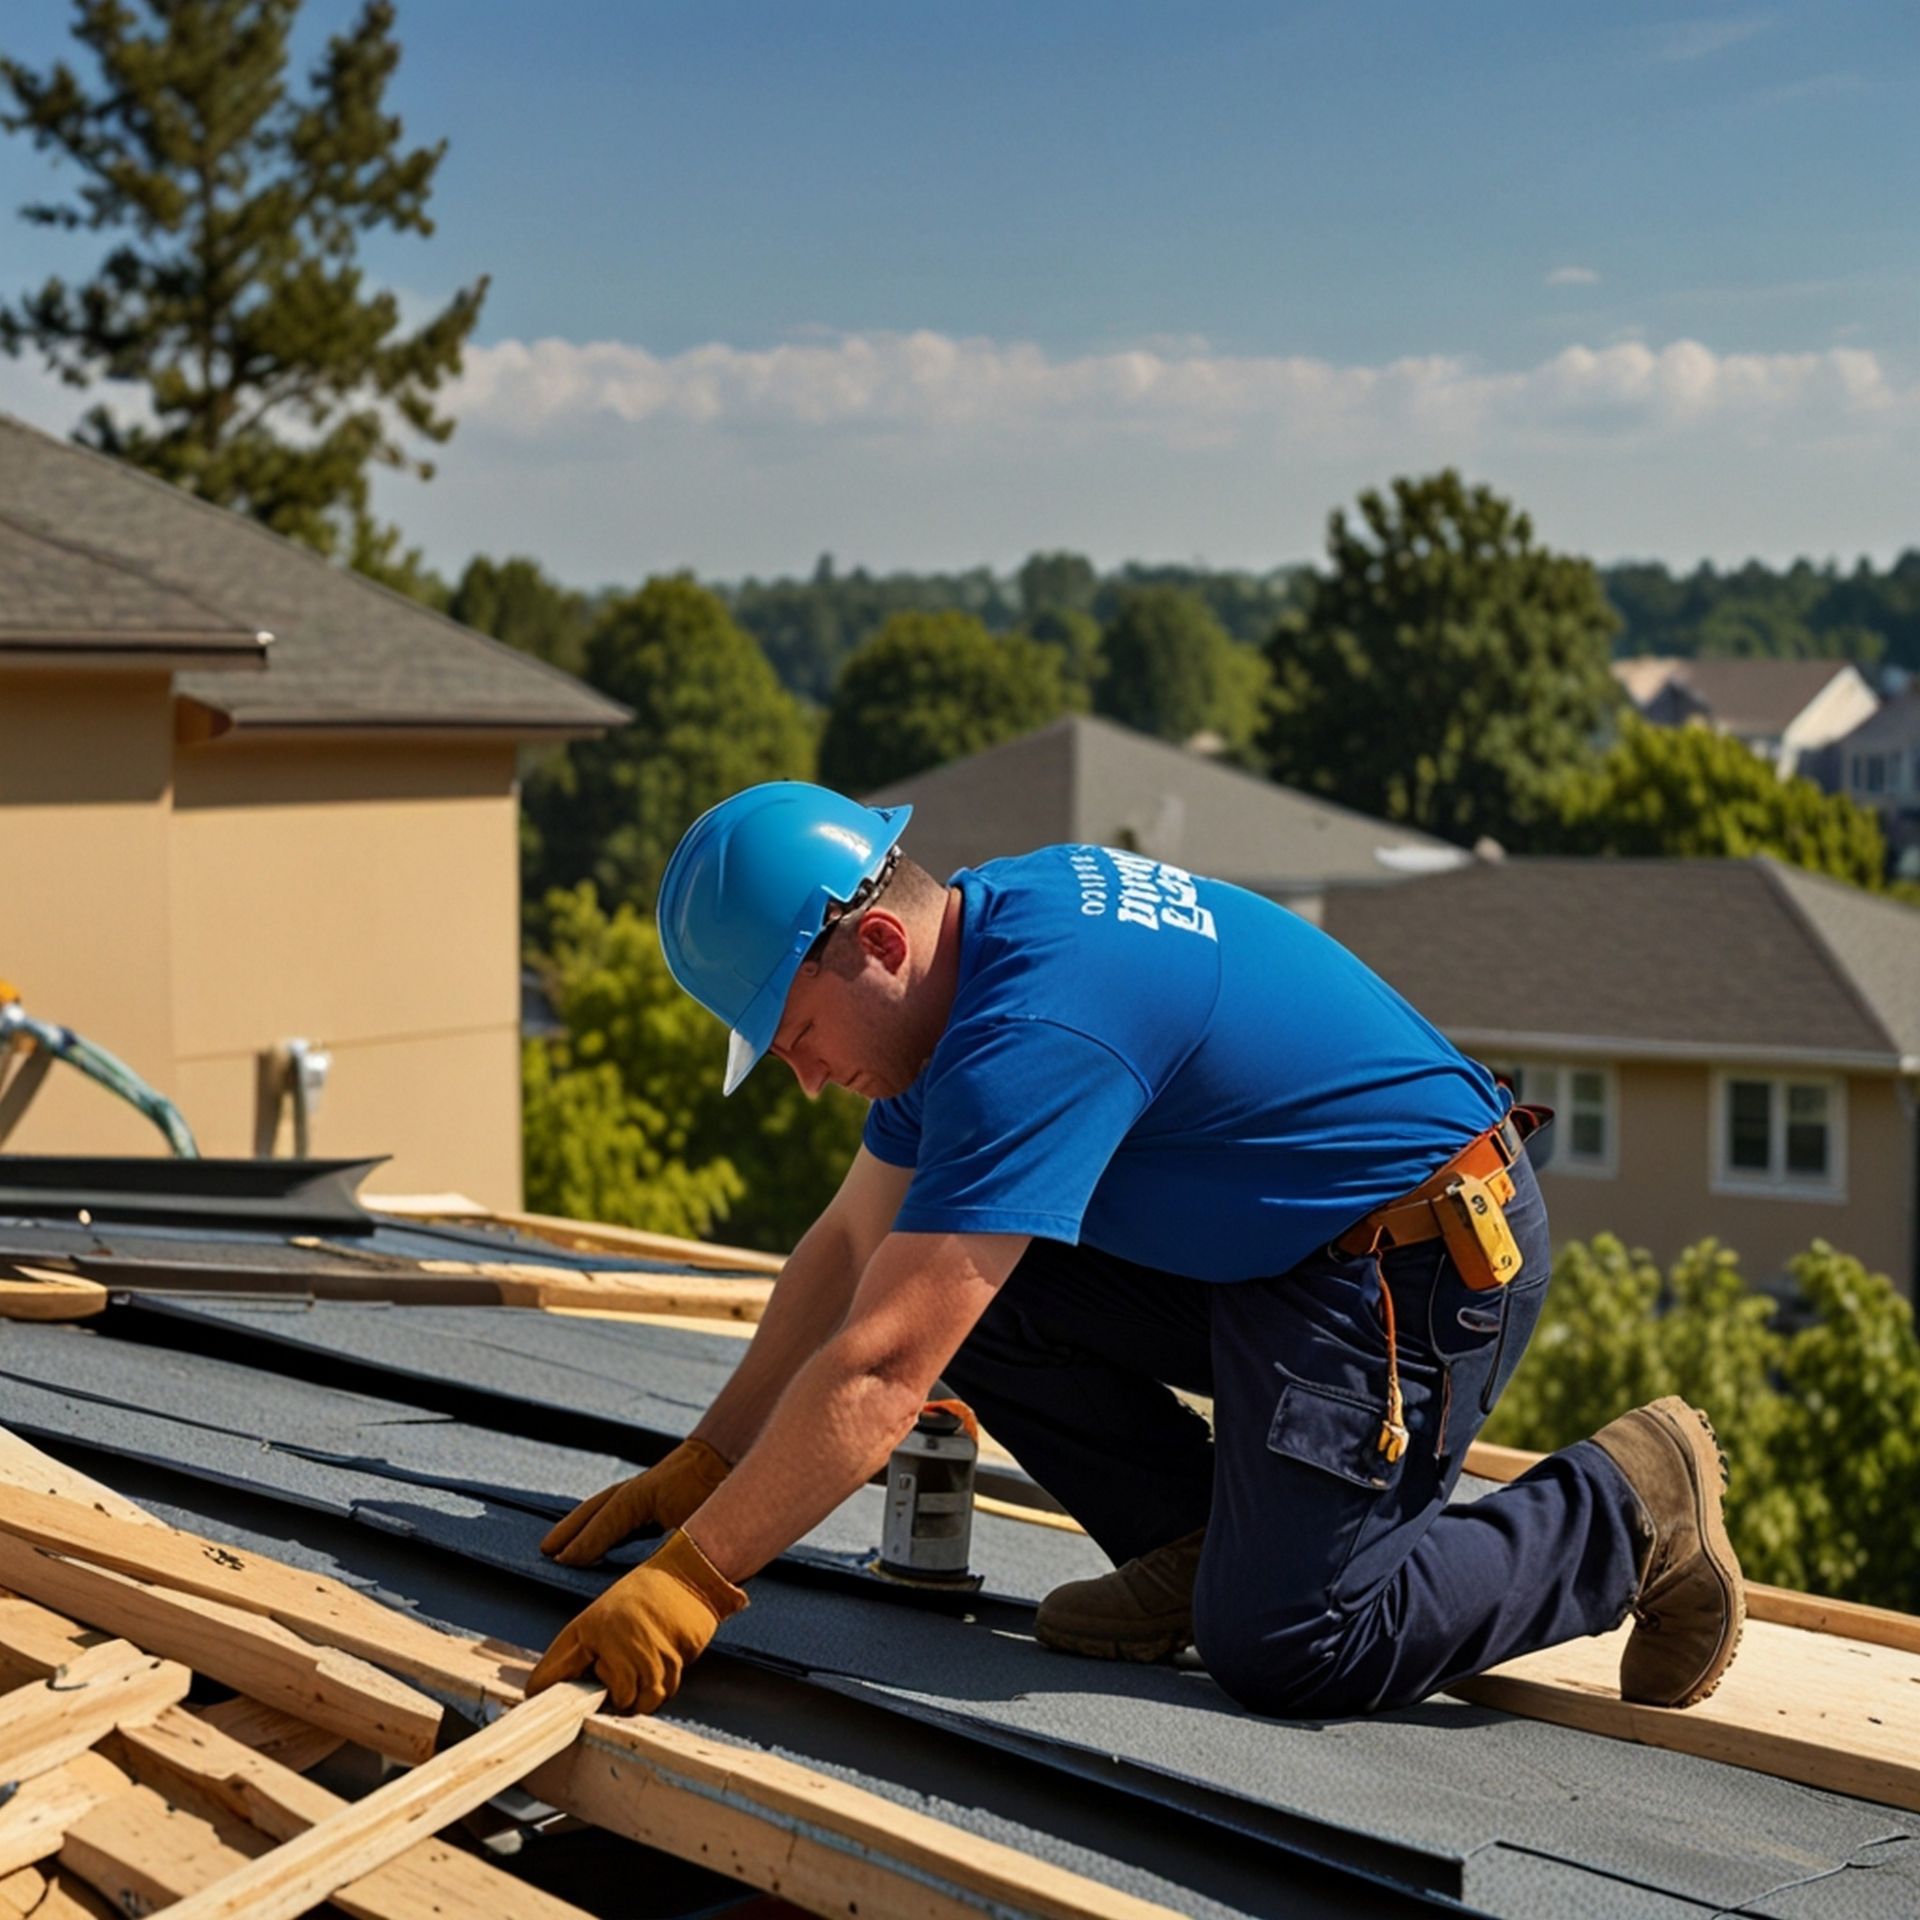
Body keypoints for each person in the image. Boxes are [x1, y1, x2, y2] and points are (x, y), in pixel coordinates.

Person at [528, 781, 1743, 1719]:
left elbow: (884, 1373)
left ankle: (1626, 1504)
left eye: (793, 1036)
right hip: (1279, 1250)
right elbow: (850, 1245)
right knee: (945, 1270)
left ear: (876, 950)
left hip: (1413, 1266)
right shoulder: (968, 962)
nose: (800, 1080)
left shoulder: (1032, 1025)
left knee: (1290, 1647)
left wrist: (697, 1577)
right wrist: (709, 1457)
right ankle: (1196, 1537)